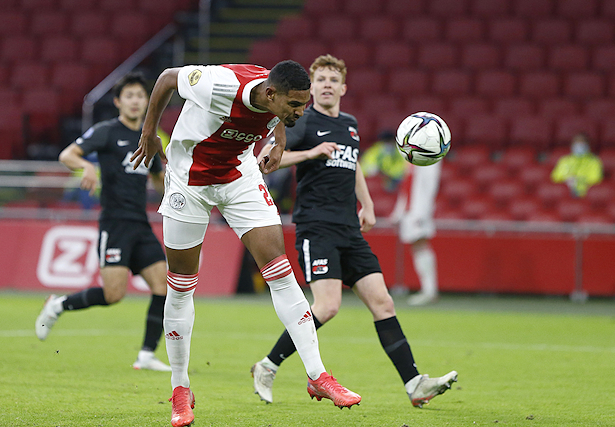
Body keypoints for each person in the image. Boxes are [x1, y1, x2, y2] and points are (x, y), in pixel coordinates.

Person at [130, 60, 361, 427]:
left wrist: (280, 141)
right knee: (181, 286)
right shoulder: (218, 84)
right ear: (270, 94)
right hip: (189, 181)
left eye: (304, 105)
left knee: (281, 274)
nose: (302, 111)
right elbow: (167, 78)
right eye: (295, 105)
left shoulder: (277, 97)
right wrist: (149, 131)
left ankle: (317, 375)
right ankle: (180, 388)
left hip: (239, 177)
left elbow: (278, 115)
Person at [251, 54, 457, 409]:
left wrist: (368, 203)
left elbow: (353, 164)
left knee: (383, 302)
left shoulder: (349, 124)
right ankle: (267, 366)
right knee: (328, 306)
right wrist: (311, 153)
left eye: (333, 80)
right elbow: (267, 158)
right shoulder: (301, 120)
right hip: (316, 227)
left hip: (349, 228)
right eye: (320, 80)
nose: (327, 85)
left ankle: (415, 384)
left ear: (343, 88)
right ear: (311, 87)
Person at [35, 72, 171, 372]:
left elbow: (158, 181)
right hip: (115, 224)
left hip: (141, 224)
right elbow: (67, 155)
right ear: (118, 102)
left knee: (163, 285)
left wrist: (173, 184)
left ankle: (146, 355)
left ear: (148, 102)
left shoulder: (150, 138)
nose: (135, 101)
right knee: (113, 295)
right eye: (129, 96)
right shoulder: (107, 131)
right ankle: (58, 305)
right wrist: (86, 166)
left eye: (140, 96)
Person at [389, 162, 442, 306]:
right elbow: (406, 187)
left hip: (418, 211)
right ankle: (428, 290)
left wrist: (423, 212)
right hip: (410, 211)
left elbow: (431, 184)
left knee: (421, 245)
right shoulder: (411, 161)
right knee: (417, 247)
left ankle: (429, 290)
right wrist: (398, 212)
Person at [551, 133, 603, 198]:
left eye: (582, 143)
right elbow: (555, 177)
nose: (579, 146)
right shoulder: (564, 160)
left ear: (588, 145)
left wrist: (578, 180)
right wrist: (566, 180)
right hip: (564, 195)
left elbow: (595, 179)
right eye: (577, 143)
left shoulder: (594, 162)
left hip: (585, 195)